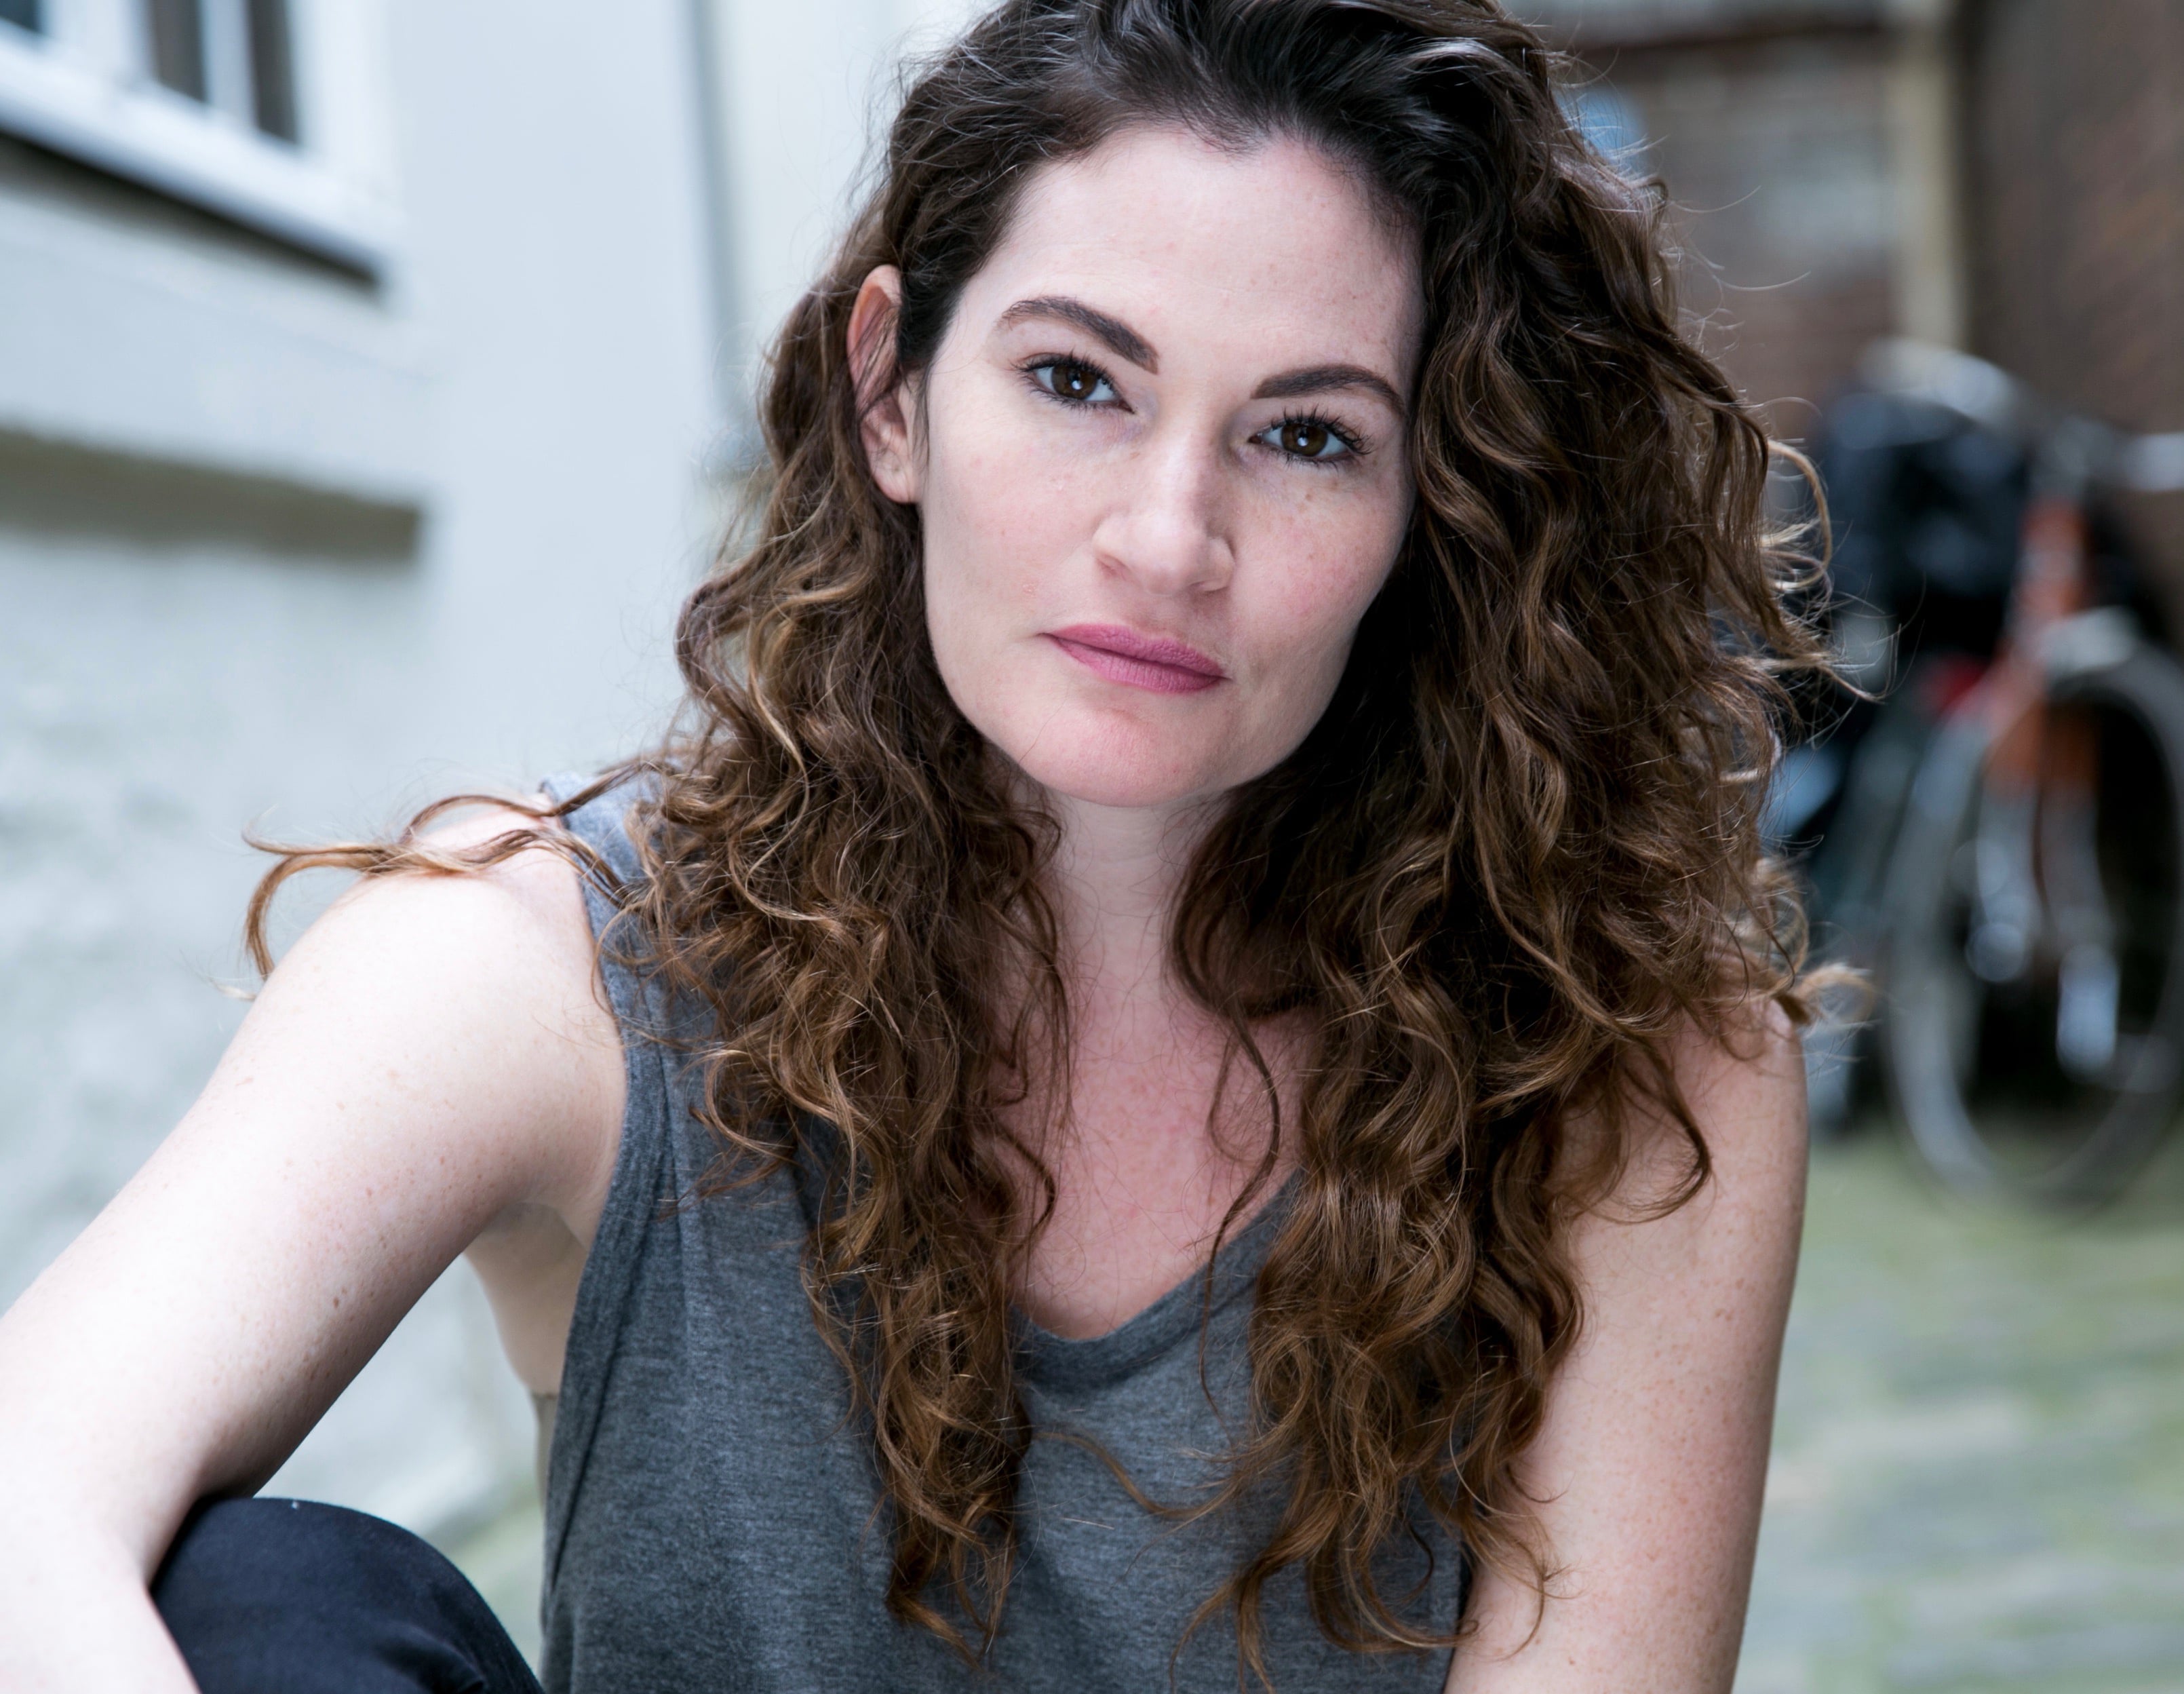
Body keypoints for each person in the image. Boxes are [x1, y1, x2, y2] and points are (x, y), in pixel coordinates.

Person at [0, 0, 1822, 1689]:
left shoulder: (1627, 1072)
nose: (1166, 538)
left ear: (1428, 502)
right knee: (263, 1601)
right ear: (892, 394)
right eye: (1079, 382)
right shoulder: (570, 961)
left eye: (1303, 434)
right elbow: (35, 1481)